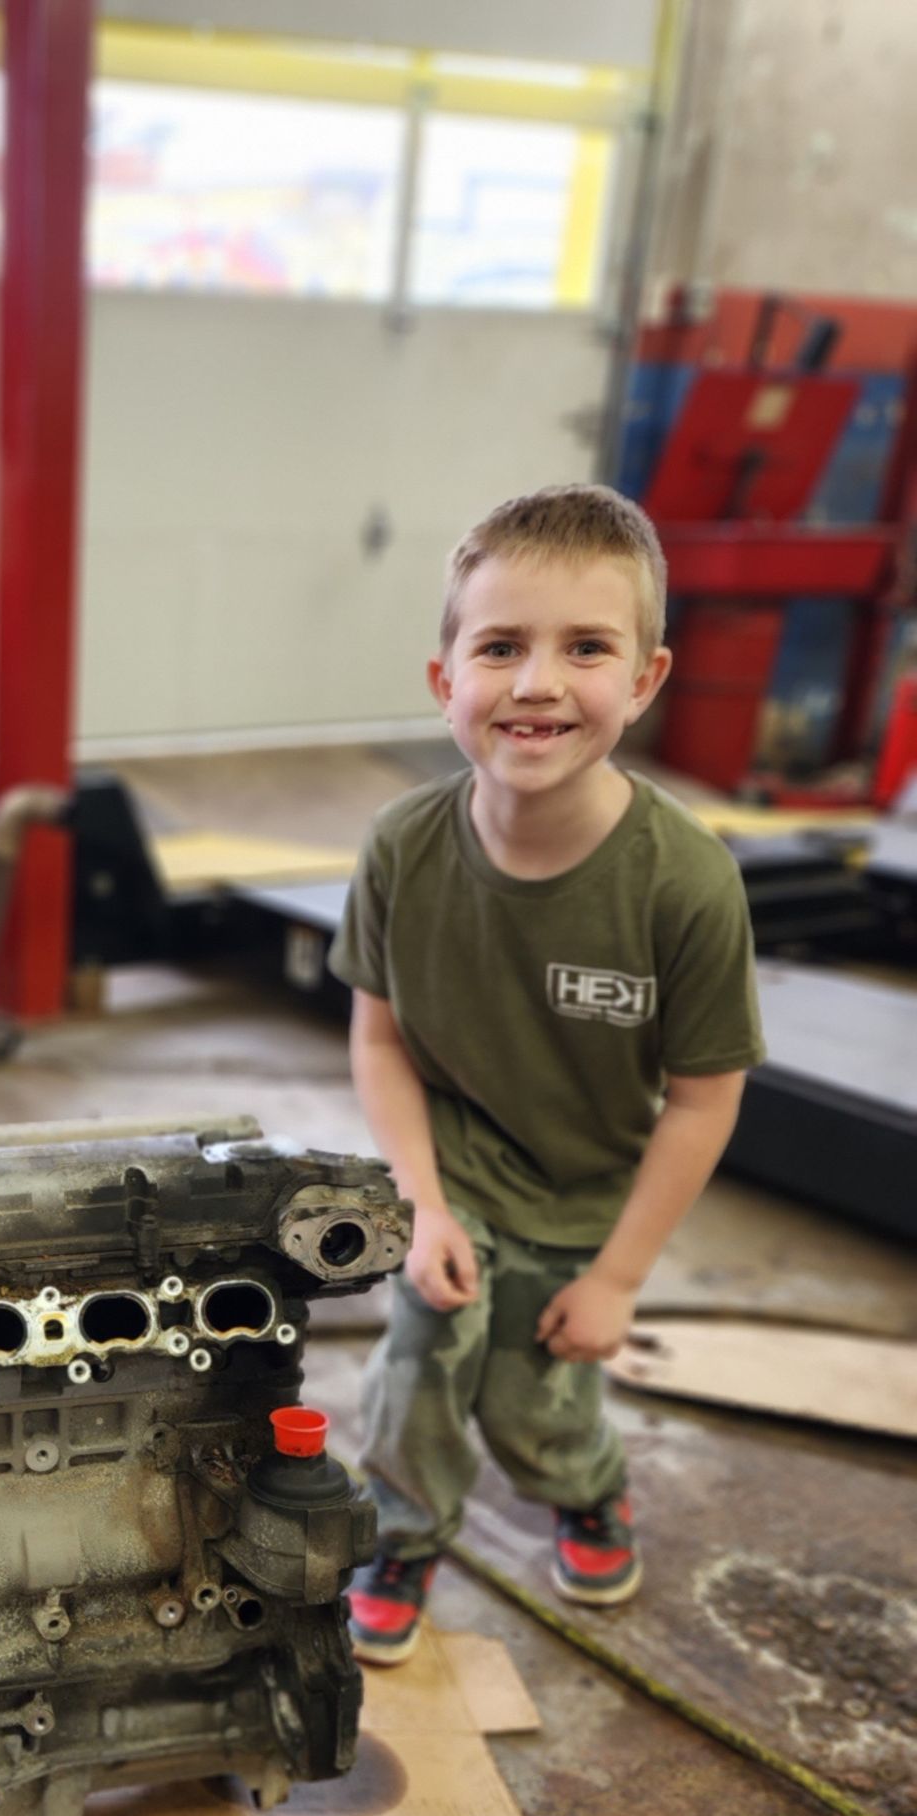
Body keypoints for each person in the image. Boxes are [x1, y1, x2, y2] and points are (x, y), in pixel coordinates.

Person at [331, 483, 763, 1667]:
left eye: (585, 647)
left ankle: (589, 1488)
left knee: (542, 1406)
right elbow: (378, 1039)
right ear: (444, 680)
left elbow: (705, 1097)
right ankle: (403, 1535)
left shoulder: (683, 884)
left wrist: (620, 1276)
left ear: (647, 679)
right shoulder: (403, 850)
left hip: (584, 1200)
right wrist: (420, 1203)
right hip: (453, 1168)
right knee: (417, 1368)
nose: (535, 683)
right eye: (501, 647)